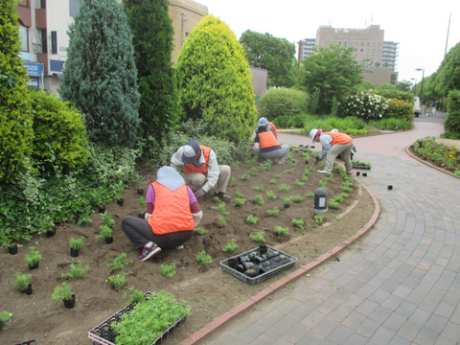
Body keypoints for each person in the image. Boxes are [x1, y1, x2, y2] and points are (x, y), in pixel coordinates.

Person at [120, 166, 203, 261]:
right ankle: (178, 244)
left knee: (125, 221)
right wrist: (184, 227)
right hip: (186, 236)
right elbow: (198, 214)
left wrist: (154, 232)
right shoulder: (185, 188)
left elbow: (149, 216)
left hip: (163, 239)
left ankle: (149, 246)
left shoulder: (154, 187)